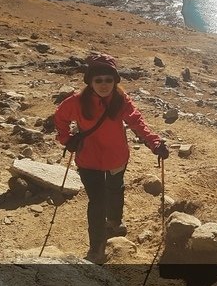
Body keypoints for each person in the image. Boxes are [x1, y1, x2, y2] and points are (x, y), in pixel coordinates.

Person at [54, 53, 169, 264]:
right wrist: (66, 138)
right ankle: (96, 247)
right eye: (99, 80)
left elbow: (137, 122)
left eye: (109, 80)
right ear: (90, 81)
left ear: (115, 81)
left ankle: (114, 222)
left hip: (116, 157)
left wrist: (154, 142)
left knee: (116, 188)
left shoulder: (121, 100)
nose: (104, 84)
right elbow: (60, 117)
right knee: (97, 202)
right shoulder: (77, 102)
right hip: (89, 160)